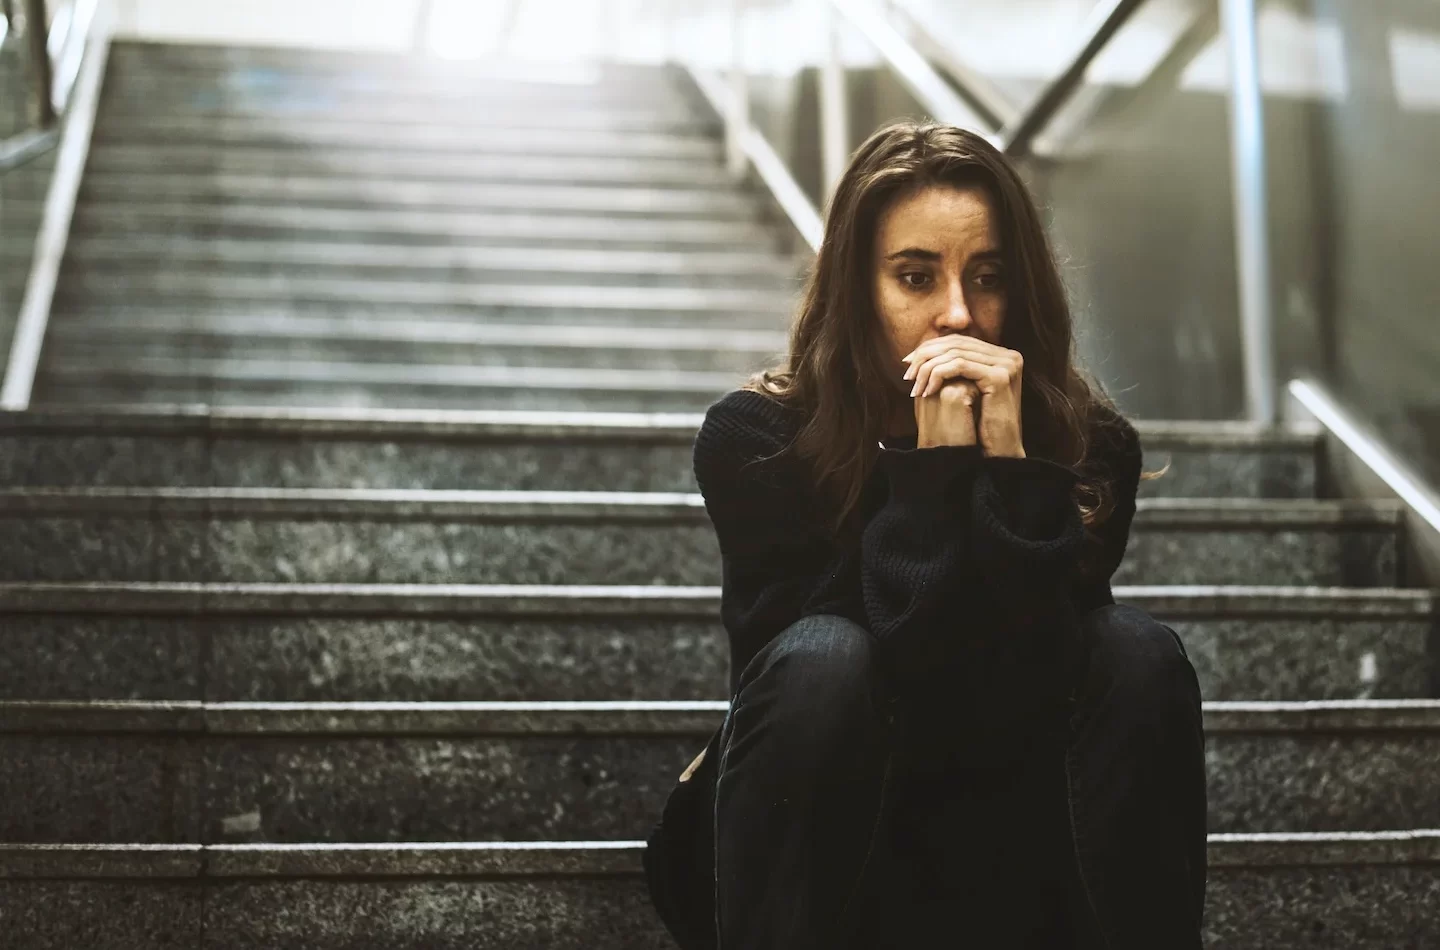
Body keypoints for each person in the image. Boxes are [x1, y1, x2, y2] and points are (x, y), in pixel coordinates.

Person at [642, 121, 1207, 950]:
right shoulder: (756, 439)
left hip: (1014, 853)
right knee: (825, 658)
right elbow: (823, 680)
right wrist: (934, 468)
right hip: (837, 856)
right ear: (856, 290)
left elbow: (1033, 671)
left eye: (989, 277)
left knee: (1138, 651)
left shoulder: (1090, 449)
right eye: (915, 277)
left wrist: (1014, 471)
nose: (960, 316)